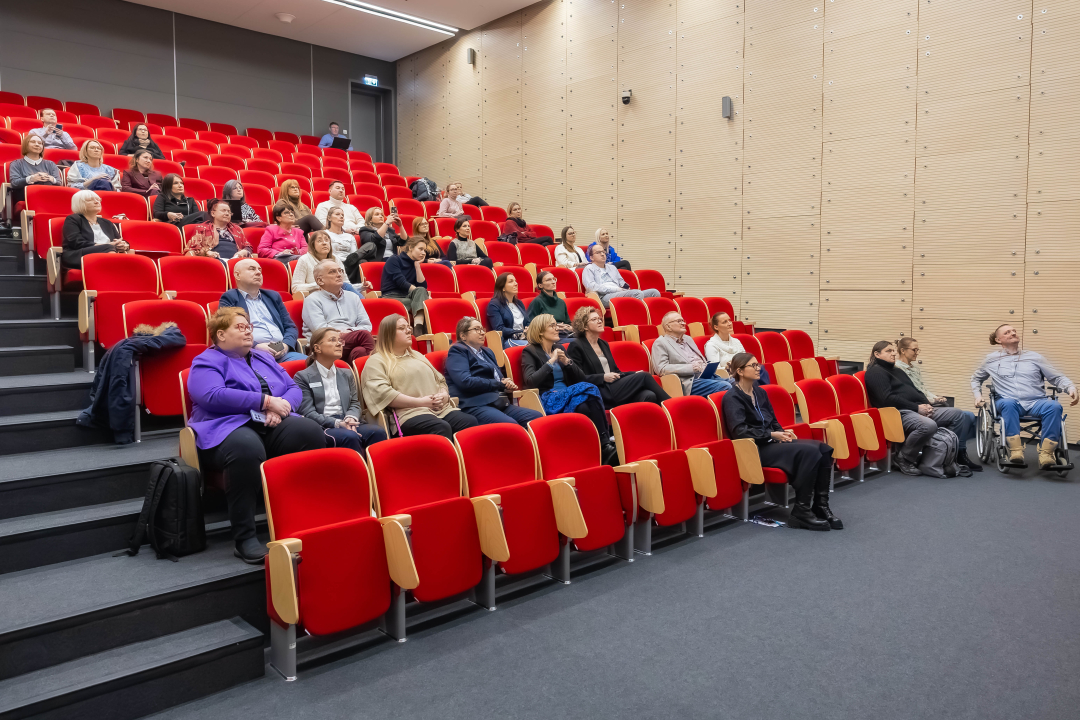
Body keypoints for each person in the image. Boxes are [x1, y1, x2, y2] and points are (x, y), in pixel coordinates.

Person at [187, 307, 325, 563]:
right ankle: (244, 536)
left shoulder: (264, 358)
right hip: (226, 427)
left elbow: (293, 388)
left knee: (310, 432)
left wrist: (279, 410)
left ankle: (301, 518)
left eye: (249, 326)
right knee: (247, 449)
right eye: (240, 327)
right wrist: (265, 402)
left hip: (269, 423)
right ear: (221, 335)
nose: (248, 330)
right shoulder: (206, 361)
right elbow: (210, 395)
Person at [722, 352, 840, 531]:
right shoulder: (732, 397)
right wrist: (771, 434)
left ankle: (820, 505)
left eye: (757, 364)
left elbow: (772, 419)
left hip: (769, 442)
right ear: (739, 370)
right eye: (752, 366)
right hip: (754, 449)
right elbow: (739, 431)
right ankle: (801, 510)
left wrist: (781, 432)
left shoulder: (759, 391)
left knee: (823, 449)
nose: (758, 368)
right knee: (809, 452)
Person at [971, 323, 1078, 470]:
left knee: (1054, 406)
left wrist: (1070, 387)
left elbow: (1057, 377)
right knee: (1008, 403)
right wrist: (978, 396)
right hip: (1008, 402)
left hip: (1036, 402)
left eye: (1014, 331)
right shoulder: (991, 359)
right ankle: (1015, 451)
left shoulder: (1035, 357)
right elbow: (976, 379)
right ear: (998, 340)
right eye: (1007, 332)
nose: (1013, 333)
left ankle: (1046, 454)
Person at [866, 341, 978, 475]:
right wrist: (917, 408)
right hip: (897, 412)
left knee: (958, 414)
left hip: (914, 409)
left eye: (893, 350)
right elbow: (886, 399)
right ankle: (903, 458)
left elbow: (916, 391)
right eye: (889, 351)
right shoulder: (876, 372)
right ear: (877, 354)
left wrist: (927, 406)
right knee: (928, 425)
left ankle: (946, 456)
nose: (894, 353)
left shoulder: (896, 370)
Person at [361, 314, 478, 439]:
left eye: (408, 327)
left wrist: (443, 395)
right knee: (440, 427)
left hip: (440, 409)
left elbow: (440, 380)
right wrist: (421, 402)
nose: (408, 331)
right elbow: (383, 394)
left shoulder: (417, 355)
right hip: (408, 413)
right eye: (402, 328)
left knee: (470, 422)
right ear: (388, 333)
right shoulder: (376, 361)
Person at [521, 314, 614, 453]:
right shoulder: (530, 351)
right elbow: (530, 381)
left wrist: (568, 363)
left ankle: (600, 447)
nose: (557, 328)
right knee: (591, 388)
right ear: (540, 331)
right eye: (552, 326)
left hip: (569, 395)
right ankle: (605, 441)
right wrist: (551, 362)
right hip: (548, 398)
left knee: (583, 407)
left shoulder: (560, 348)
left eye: (556, 324)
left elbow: (581, 378)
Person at [294, 327, 387, 456]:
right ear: (317, 348)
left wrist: (350, 417)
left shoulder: (347, 374)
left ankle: (376, 474)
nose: (339, 344)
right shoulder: (302, 377)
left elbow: (355, 403)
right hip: (324, 426)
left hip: (348, 420)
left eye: (339, 340)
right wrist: (338, 423)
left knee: (378, 431)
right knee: (350, 437)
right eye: (332, 340)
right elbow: (308, 412)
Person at [446, 317, 544, 427]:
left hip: (498, 402)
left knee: (536, 418)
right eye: (477, 329)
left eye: (482, 329)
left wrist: (505, 384)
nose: (482, 333)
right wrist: (499, 384)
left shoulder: (487, 352)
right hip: (476, 404)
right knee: (511, 425)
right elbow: (465, 381)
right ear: (463, 336)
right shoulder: (458, 351)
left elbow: (498, 379)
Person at [567, 305, 671, 409]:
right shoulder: (576, 346)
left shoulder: (603, 344)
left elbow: (616, 372)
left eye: (599, 318)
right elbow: (577, 378)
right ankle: (671, 407)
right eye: (594, 319)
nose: (599, 321)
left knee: (648, 395)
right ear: (584, 326)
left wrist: (633, 373)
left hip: (614, 387)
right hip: (600, 390)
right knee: (645, 376)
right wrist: (602, 377)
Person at [219, 259, 306, 363]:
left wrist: (286, 345)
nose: (258, 272)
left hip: (282, 352)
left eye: (259, 269)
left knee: (309, 366)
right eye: (252, 269)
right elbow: (229, 330)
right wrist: (256, 346)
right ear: (237, 275)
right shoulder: (230, 297)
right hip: (251, 354)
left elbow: (290, 327)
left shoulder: (273, 296)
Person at [302, 260, 375, 361]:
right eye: (332, 272)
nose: (339, 274)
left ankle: (351, 375)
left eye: (340, 271)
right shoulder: (312, 300)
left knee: (360, 351)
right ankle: (378, 367)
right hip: (324, 345)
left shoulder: (353, 297)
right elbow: (321, 331)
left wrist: (348, 332)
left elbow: (366, 325)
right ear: (320, 281)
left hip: (350, 343)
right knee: (364, 335)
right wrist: (347, 334)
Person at [652, 311, 732, 397]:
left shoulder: (688, 339)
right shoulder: (661, 343)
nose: (683, 323)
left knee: (738, 383)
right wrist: (691, 368)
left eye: (683, 320)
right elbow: (661, 368)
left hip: (705, 376)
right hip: (688, 382)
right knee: (725, 386)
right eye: (679, 321)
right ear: (668, 326)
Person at [61, 190, 130, 269]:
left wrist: (125, 245)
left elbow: (118, 240)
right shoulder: (73, 219)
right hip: (78, 255)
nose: (97, 202)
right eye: (91, 200)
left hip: (108, 252)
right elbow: (76, 242)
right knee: (109, 248)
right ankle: (114, 274)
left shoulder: (107, 223)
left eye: (98, 199)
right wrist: (105, 246)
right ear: (79, 203)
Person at [291, 229, 364, 297]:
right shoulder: (304, 260)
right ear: (313, 245)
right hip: (317, 296)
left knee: (347, 288)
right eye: (319, 241)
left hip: (337, 295)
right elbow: (295, 288)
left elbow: (345, 283)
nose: (324, 243)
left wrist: (361, 286)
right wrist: (320, 285)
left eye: (327, 240)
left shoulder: (335, 259)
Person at [381, 237, 431, 336]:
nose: (423, 253)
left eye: (424, 250)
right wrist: (424, 296)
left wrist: (417, 266)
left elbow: (422, 287)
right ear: (411, 247)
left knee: (421, 294)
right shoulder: (394, 259)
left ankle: (418, 329)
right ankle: (421, 333)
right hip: (391, 297)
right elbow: (401, 283)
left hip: (408, 297)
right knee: (424, 303)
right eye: (420, 249)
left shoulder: (414, 264)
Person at [582, 244, 659, 307]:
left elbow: (621, 281)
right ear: (591, 257)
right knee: (637, 294)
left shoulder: (612, 267)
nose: (602, 254)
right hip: (603, 296)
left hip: (618, 292)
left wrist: (625, 286)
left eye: (603, 252)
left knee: (655, 292)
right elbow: (591, 287)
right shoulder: (589, 268)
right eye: (598, 252)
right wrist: (616, 290)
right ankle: (635, 320)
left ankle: (653, 320)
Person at [704, 311, 770, 384]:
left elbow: (746, 360)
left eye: (729, 320)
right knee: (750, 378)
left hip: (742, 372)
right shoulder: (711, 345)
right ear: (716, 327)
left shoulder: (736, 342)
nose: (729, 324)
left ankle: (762, 392)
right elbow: (716, 370)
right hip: (728, 377)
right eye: (725, 322)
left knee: (760, 369)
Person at [185, 199, 253, 259]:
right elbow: (194, 248)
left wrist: (244, 251)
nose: (227, 214)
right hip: (213, 261)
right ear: (213, 213)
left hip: (236, 261)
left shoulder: (237, 229)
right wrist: (207, 253)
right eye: (223, 211)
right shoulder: (202, 228)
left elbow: (248, 246)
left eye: (229, 212)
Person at [9, 134, 63, 204]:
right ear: (26, 145)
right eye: (33, 142)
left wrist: (50, 178)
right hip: (27, 198)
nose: (37, 145)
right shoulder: (16, 164)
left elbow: (59, 183)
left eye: (40, 143)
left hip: (49, 197)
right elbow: (14, 183)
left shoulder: (51, 164)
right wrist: (32, 178)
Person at [487, 273, 529, 348]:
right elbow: (499, 329)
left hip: (525, 337)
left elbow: (527, 322)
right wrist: (521, 332)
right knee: (536, 347)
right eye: (511, 281)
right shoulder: (494, 304)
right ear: (503, 288)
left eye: (515, 281)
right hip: (508, 339)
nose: (516, 284)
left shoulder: (519, 303)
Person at [527, 270, 573, 337]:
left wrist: (569, 328)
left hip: (564, 334)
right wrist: (555, 327)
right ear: (540, 285)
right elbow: (530, 325)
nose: (553, 282)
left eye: (554, 279)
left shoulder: (561, 302)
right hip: (547, 337)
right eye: (549, 280)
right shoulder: (537, 302)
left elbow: (568, 323)